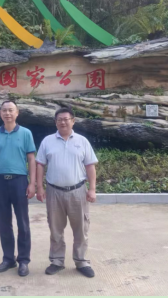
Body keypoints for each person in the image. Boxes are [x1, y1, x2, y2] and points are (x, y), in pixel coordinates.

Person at [35, 107, 98, 278]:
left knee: (81, 228)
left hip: (78, 191)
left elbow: (90, 166)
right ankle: (57, 261)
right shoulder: (47, 141)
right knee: (55, 229)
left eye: (66, 119)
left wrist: (92, 189)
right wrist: (39, 187)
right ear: (55, 122)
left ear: (73, 120)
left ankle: (81, 261)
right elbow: (40, 164)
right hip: (54, 192)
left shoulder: (82, 141)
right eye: (59, 119)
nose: (63, 122)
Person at [0, 101, 36, 277]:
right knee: (3, 222)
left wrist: (32, 183)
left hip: (19, 181)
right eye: (4, 110)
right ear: (0, 113)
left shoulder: (25, 133)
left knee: (23, 222)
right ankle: (8, 258)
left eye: (11, 110)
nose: (7, 113)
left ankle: (23, 260)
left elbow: (31, 159)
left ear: (17, 113)